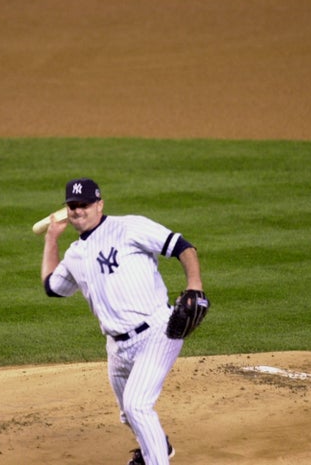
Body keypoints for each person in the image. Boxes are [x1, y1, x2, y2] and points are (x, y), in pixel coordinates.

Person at [40, 177, 205, 465]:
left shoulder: (129, 226)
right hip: (117, 347)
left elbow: (182, 246)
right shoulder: (75, 255)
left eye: (85, 205)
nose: (78, 211)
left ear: (99, 204)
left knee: (137, 405)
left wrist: (194, 285)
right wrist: (51, 239)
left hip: (157, 330)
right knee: (128, 414)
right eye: (73, 206)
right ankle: (159, 448)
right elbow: (52, 287)